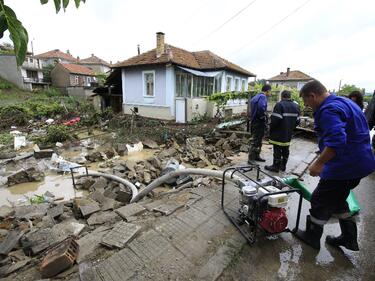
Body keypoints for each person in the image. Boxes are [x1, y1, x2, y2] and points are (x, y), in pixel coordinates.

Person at [295, 80, 375, 250]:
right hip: (361, 164)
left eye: (306, 101)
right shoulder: (346, 102)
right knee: (338, 199)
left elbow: (337, 141)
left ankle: (312, 237)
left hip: (346, 166)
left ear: (313, 96)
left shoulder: (327, 110)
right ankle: (349, 238)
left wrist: (319, 163)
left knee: (319, 199)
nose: (306, 105)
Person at [265, 90, 300, 172]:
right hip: (288, 133)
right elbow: (298, 121)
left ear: (282, 96)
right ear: (290, 96)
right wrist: (290, 127)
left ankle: (275, 167)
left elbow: (275, 120)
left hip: (278, 133)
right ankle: (283, 166)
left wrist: (270, 129)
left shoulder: (280, 105)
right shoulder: (296, 106)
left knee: (277, 149)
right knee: (285, 149)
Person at [248, 84, 272, 163]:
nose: (270, 93)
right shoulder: (263, 97)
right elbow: (261, 107)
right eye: (270, 91)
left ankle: (256, 156)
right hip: (259, 121)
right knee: (256, 140)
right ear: (268, 90)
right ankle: (251, 158)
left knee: (258, 140)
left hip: (254, 121)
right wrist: (263, 117)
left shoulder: (255, 97)